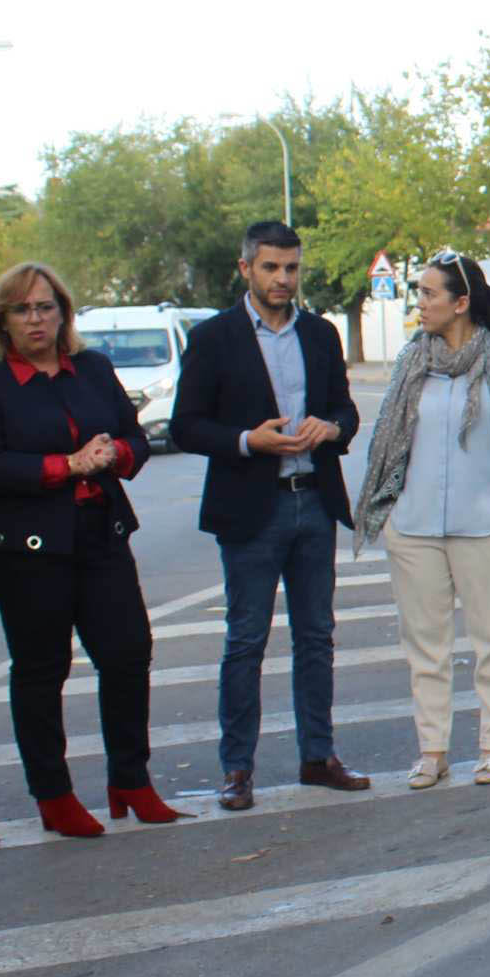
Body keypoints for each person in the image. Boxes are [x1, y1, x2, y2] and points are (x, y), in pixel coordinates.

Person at [0, 261, 187, 837]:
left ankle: (130, 779)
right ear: (2, 321)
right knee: (42, 668)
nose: (36, 319)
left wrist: (116, 455)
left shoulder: (92, 368)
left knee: (128, 652)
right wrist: (68, 465)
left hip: (99, 531)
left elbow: (135, 436)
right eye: (22, 309)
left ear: (63, 312)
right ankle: (53, 796)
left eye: (46, 306)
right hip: (27, 549)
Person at [168, 220, 369, 811]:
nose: (283, 279)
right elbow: (185, 426)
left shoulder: (320, 334)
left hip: (315, 501)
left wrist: (331, 428)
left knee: (316, 637)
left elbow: (344, 409)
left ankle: (318, 756)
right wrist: (245, 440)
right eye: (271, 268)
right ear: (246, 269)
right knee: (246, 640)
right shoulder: (214, 338)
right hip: (251, 509)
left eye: (292, 268)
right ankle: (237, 769)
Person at [355, 253, 490, 789]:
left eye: (428, 294)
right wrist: (390, 509)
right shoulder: (410, 360)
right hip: (415, 526)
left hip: (487, 523)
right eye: (418, 293)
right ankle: (432, 750)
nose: (419, 303)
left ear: (460, 302)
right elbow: (387, 436)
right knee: (424, 646)